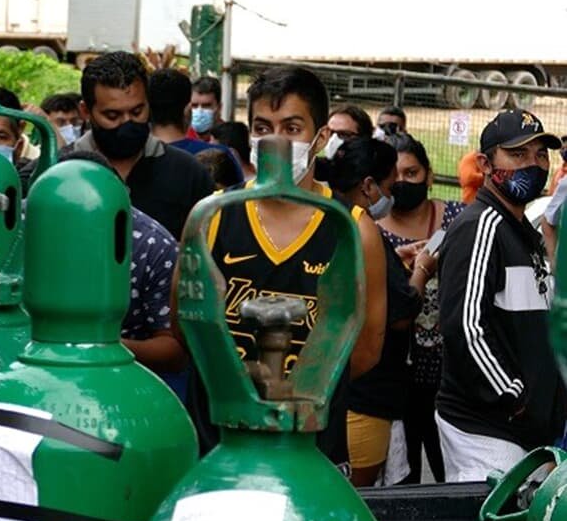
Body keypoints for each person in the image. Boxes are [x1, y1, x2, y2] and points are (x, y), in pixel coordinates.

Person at [180, 66, 387, 469]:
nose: (275, 139)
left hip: (311, 450)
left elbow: (363, 352)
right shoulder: (213, 217)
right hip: (218, 447)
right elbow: (186, 327)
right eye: (262, 127)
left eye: (292, 128)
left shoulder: (353, 230)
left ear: (321, 137)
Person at [436, 109, 566, 482]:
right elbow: (464, 327)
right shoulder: (482, 227)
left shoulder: (522, 231)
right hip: (487, 434)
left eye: (541, 155)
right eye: (518, 154)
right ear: (485, 163)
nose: (533, 164)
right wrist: (515, 396)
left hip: (521, 434)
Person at [320, 137, 424, 486]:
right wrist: (421, 269)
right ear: (368, 186)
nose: (395, 192)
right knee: (356, 500)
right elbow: (399, 314)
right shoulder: (361, 230)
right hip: (364, 400)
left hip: (343, 397)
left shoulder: (325, 221)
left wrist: (396, 259)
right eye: (391, 183)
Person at [376, 133, 464, 483]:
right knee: (406, 469)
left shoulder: (458, 218)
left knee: (452, 468)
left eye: (411, 173)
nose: (402, 182)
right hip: (400, 374)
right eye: (394, 176)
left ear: (429, 175)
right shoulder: (374, 235)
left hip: (453, 371)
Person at [60, 150, 186, 393]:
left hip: (123, 379)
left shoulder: (152, 246)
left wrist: (101, 346)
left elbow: (174, 351)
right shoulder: (24, 228)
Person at [63, 51, 213, 239]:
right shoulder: (59, 172)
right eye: (112, 116)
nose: (127, 123)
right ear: (86, 112)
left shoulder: (189, 174)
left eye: (136, 112)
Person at [190, 75, 223, 140]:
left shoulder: (228, 137)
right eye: (194, 105)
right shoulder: (180, 136)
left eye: (206, 106)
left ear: (219, 108)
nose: (199, 111)